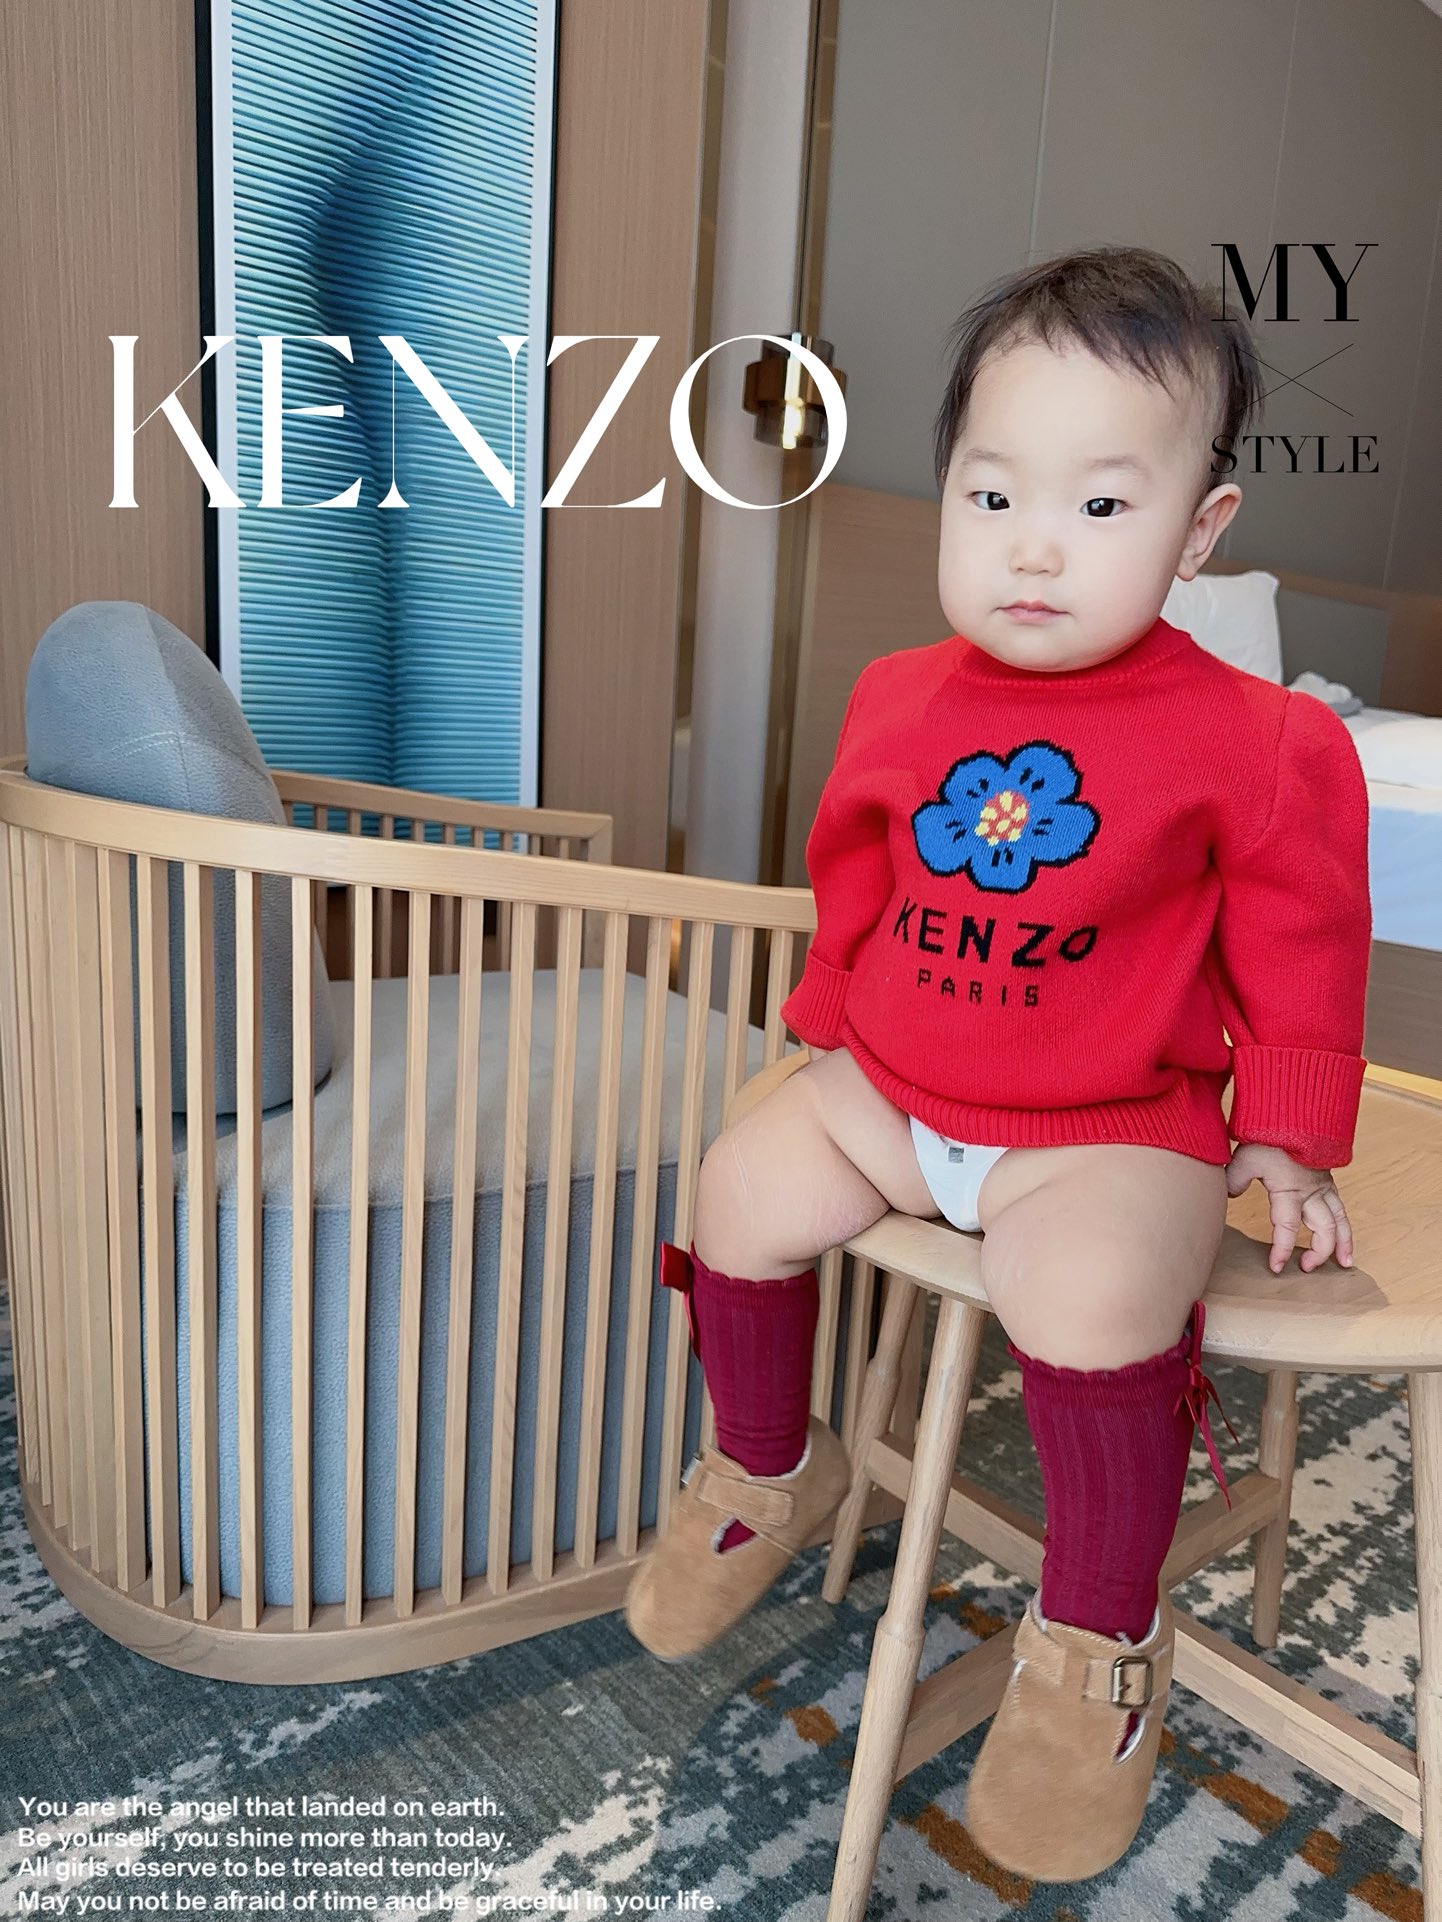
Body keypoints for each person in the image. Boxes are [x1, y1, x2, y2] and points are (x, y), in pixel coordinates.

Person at [623, 244, 1371, 1883]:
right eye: (989, 493)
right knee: (739, 1180)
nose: (1033, 544)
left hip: (1107, 1122)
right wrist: (826, 1025)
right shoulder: (899, 695)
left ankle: (1095, 1642)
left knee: (1088, 1298)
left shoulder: (1256, 739)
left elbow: (1302, 943)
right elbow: (855, 871)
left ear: (1197, 532)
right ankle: (767, 1462)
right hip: (903, 1093)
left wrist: (1287, 1131)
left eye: (1099, 505)